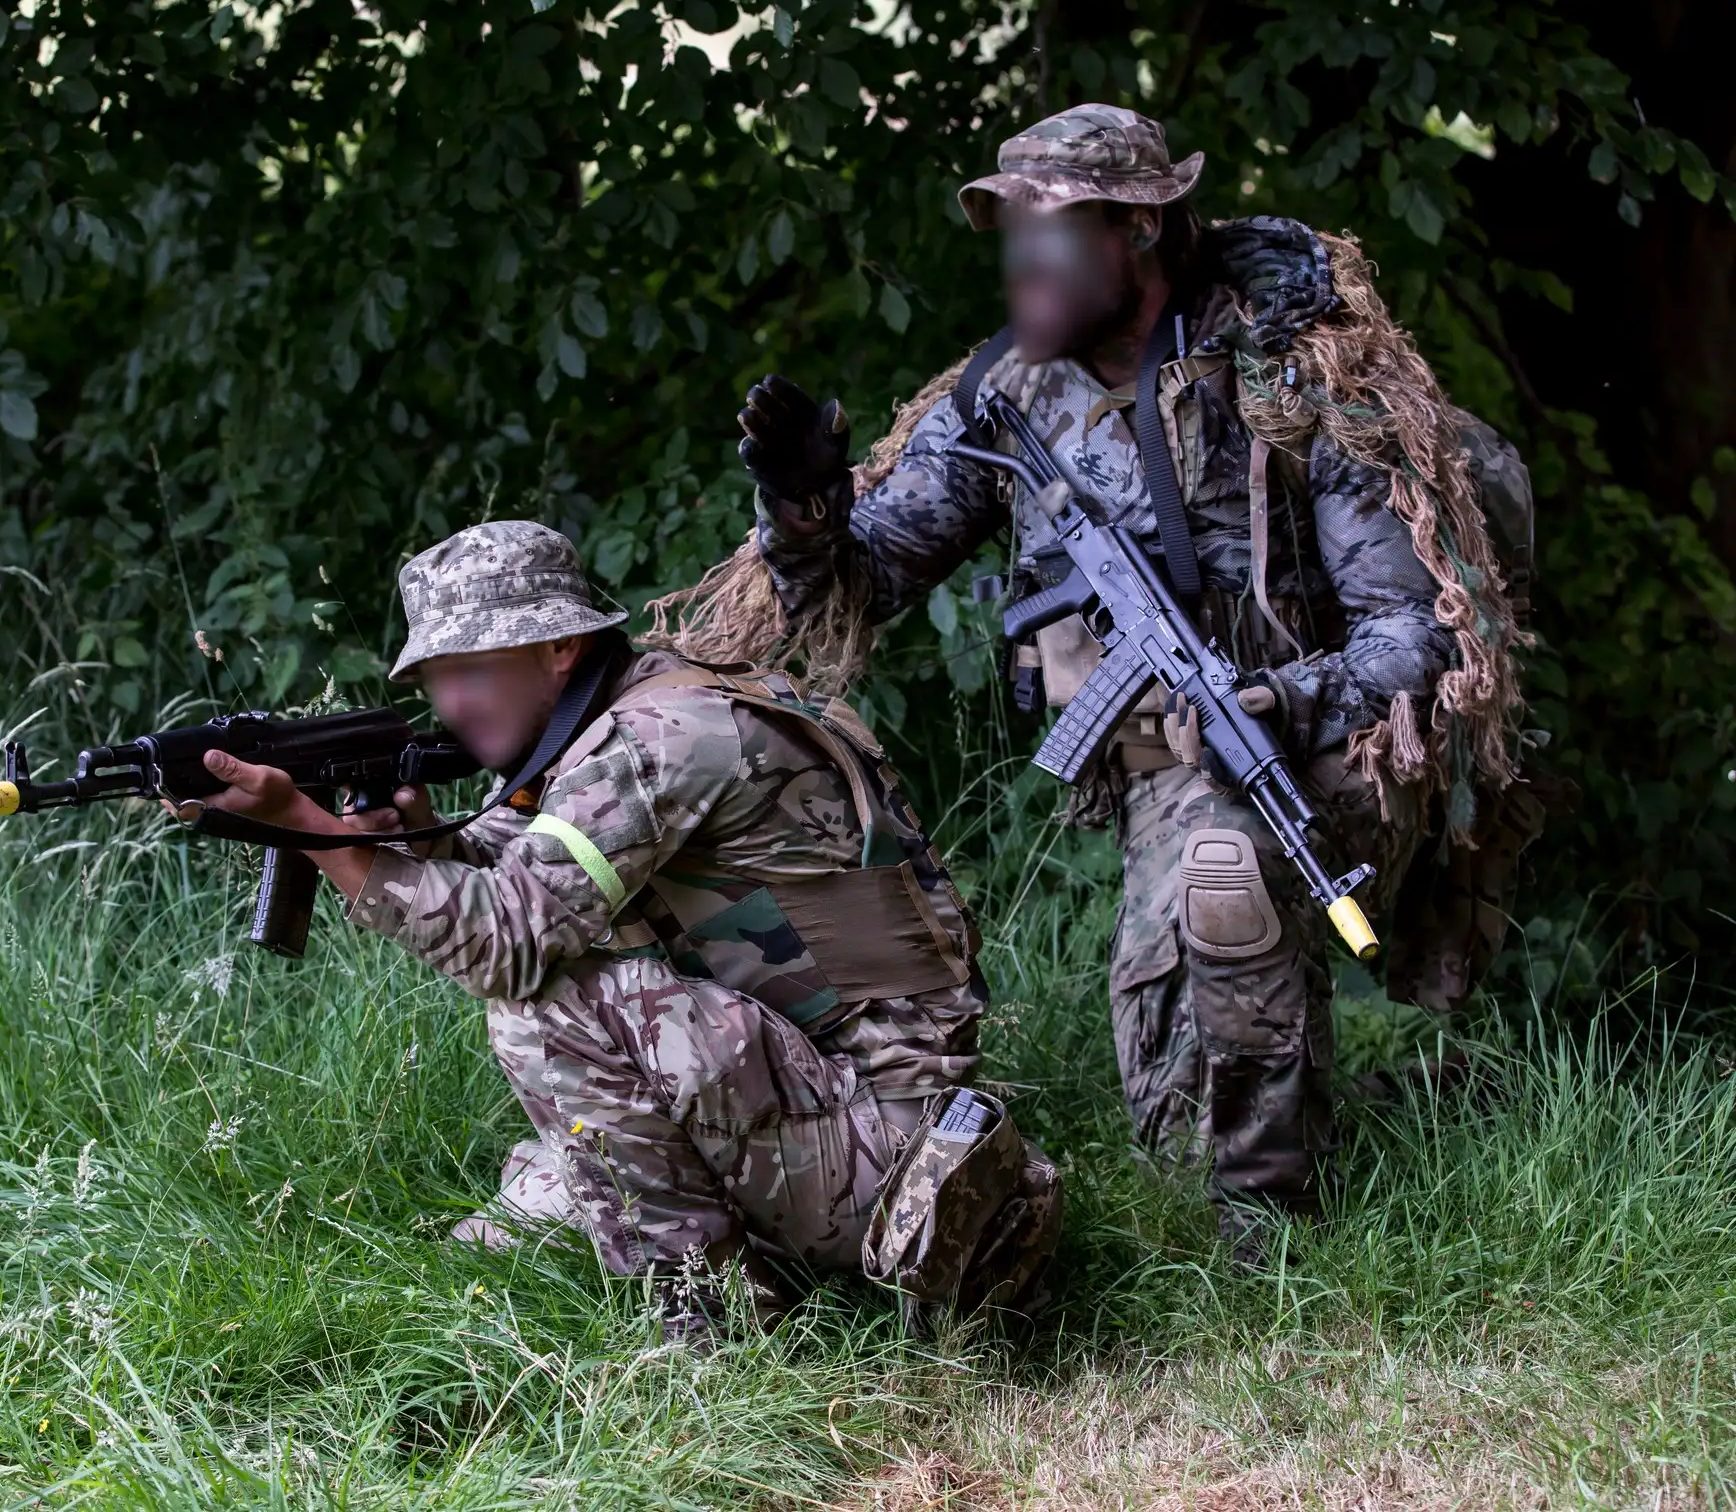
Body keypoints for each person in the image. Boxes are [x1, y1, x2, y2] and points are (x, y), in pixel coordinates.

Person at [648, 103, 1538, 1263]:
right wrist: (804, 505)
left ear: (1138, 227)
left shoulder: (1292, 370)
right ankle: (1218, 1167)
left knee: (1223, 871)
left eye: (1050, 232)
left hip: (1338, 737)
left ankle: (1263, 1230)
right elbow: (856, 584)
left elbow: (1417, 632)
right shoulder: (1007, 394)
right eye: (1006, 232)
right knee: (1180, 1035)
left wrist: (1281, 703)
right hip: (1165, 759)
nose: (1020, 261)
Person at [194, 520, 1062, 1340]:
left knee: (543, 1006)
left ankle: (709, 1330)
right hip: (843, 1100)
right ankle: (744, 1251)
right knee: (508, 1234)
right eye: (434, 678)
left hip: (897, 1160)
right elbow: (526, 867)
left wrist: (310, 831)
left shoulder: (660, 740)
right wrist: (414, 840)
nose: (448, 703)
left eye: (472, 671)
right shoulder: (640, 711)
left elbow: (507, 941)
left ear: (558, 648)